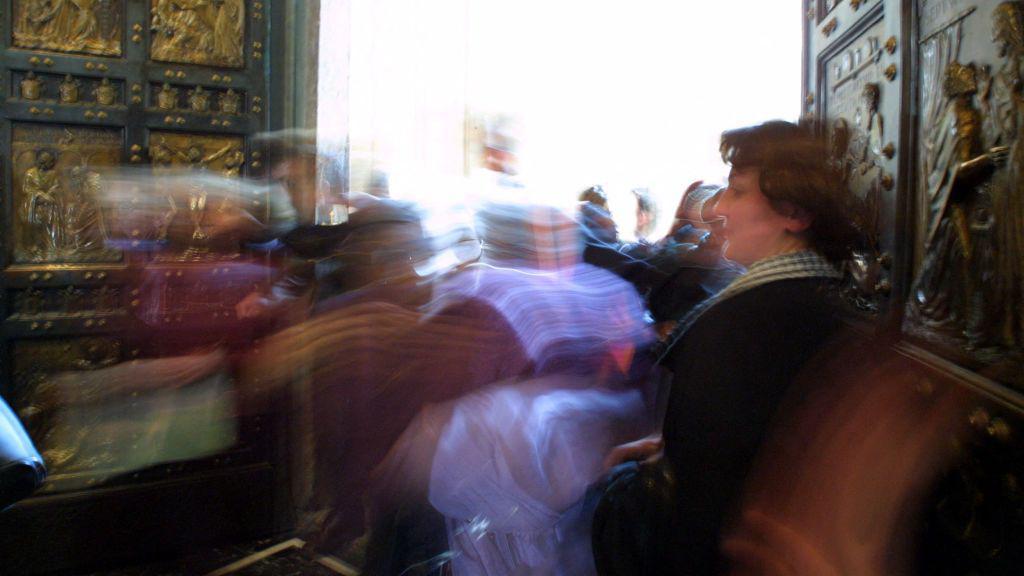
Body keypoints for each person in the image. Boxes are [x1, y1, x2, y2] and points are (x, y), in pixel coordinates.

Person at [593, 120, 863, 576]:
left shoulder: (751, 322)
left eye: (736, 192)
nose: (717, 209)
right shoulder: (814, 298)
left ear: (794, 211)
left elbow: (709, 504)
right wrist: (671, 446)